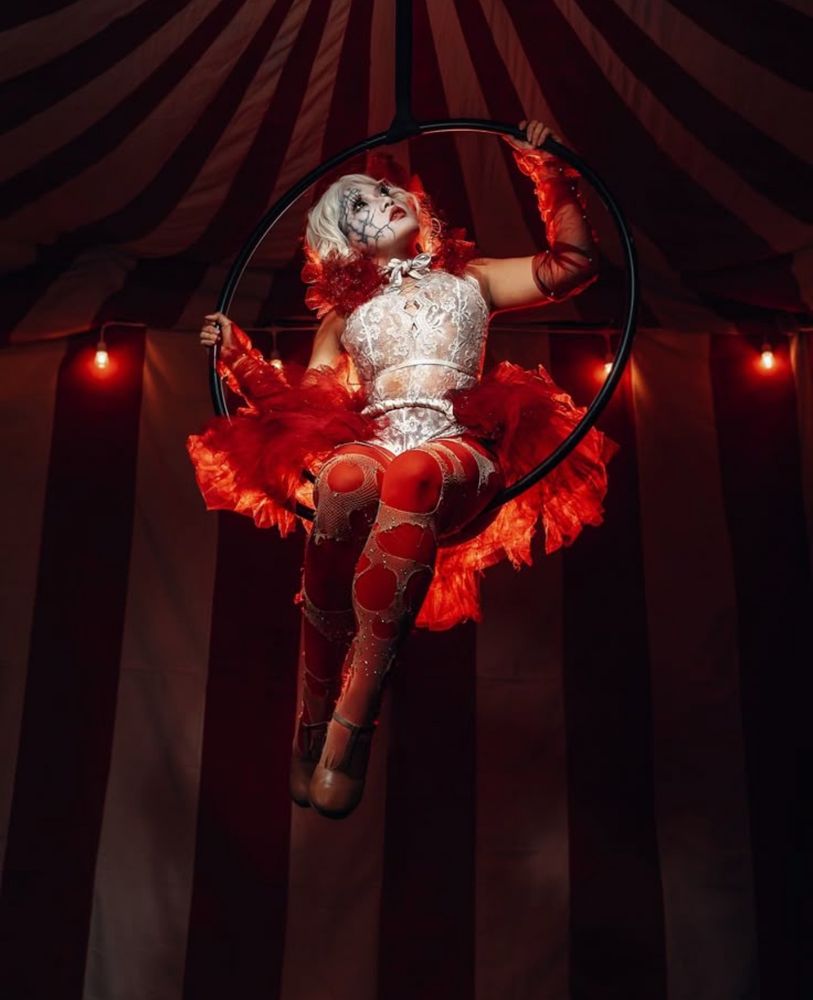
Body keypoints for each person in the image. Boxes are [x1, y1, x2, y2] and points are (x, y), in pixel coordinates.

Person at [187, 120, 620, 819]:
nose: (380, 200)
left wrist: (549, 174)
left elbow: (572, 265)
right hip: (374, 441)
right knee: (343, 479)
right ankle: (313, 714)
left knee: (413, 472)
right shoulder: (342, 316)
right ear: (344, 241)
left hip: (456, 447)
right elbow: (301, 408)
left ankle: (352, 724)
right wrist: (240, 361)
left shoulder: (468, 279)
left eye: (384, 191)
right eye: (357, 206)